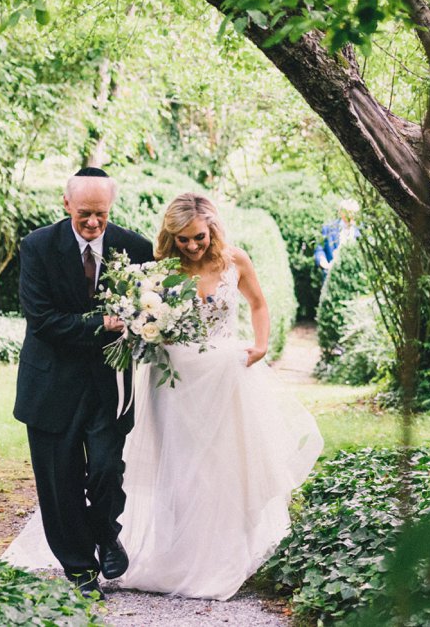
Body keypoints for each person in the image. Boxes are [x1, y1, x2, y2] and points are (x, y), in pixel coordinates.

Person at [117, 192, 324, 600]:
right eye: (182, 239)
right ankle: (176, 556)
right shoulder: (161, 271)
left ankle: (222, 557)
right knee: (179, 465)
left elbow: (259, 304)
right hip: (173, 382)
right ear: (170, 236)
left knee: (221, 466)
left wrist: (262, 345)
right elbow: (144, 320)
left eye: (198, 237)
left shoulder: (235, 260)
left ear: (212, 228)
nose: (192, 246)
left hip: (225, 377)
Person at [13, 167, 154, 598]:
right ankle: (79, 569)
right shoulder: (37, 246)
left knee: (108, 470)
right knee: (61, 482)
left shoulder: (135, 247)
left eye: (102, 215)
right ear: (67, 204)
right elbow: (42, 320)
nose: (93, 223)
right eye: (85, 214)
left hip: (109, 384)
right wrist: (101, 323)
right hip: (50, 384)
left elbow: (150, 308)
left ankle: (108, 535)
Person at [313, 198, 361, 277]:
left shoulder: (362, 231)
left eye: (352, 212)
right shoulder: (328, 228)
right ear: (340, 212)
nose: (349, 215)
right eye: (347, 212)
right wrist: (322, 260)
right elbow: (319, 249)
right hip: (332, 275)